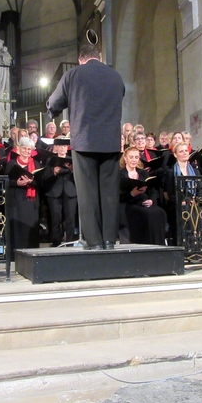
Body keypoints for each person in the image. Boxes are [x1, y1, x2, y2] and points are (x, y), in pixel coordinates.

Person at [47, 44, 125, 250]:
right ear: (98, 57)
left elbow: (54, 103)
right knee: (109, 193)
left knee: (87, 192)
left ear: (81, 59)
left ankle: (95, 242)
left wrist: (51, 112)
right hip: (110, 142)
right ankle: (109, 240)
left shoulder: (73, 74)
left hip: (84, 141)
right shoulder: (115, 76)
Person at [119, 147, 167, 245]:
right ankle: (146, 243)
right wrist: (132, 193)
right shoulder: (121, 174)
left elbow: (152, 190)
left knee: (160, 212)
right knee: (146, 214)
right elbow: (118, 196)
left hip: (144, 201)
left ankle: (158, 244)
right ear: (125, 158)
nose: (134, 160)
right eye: (131, 157)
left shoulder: (143, 173)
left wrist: (151, 201)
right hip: (129, 203)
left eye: (136, 157)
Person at [5, 137, 41, 256]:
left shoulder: (35, 164)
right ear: (19, 149)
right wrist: (17, 183)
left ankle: (31, 255)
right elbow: (5, 182)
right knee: (17, 228)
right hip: (16, 201)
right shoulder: (12, 163)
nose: (27, 151)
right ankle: (15, 255)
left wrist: (31, 182)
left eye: (29, 149)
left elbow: (41, 182)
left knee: (30, 228)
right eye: (24, 148)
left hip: (30, 202)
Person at [42, 138, 77, 247]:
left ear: (67, 148)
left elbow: (79, 177)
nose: (62, 148)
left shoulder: (72, 160)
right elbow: (44, 177)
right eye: (60, 146)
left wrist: (71, 170)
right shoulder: (50, 160)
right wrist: (54, 172)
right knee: (55, 218)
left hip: (70, 192)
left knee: (70, 218)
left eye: (64, 146)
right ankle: (56, 241)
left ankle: (70, 242)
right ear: (56, 148)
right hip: (54, 192)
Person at [163, 142, 200, 244]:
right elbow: (170, 194)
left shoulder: (196, 172)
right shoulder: (170, 172)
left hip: (194, 203)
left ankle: (195, 245)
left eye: (186, 151)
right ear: (175, 154)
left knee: (198, 211)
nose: (184, 153)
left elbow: (200, 190)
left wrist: (195, 200)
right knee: (182, 210)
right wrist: (182, 201)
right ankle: (181, 244)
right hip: (177, 204)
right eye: (181, 151)